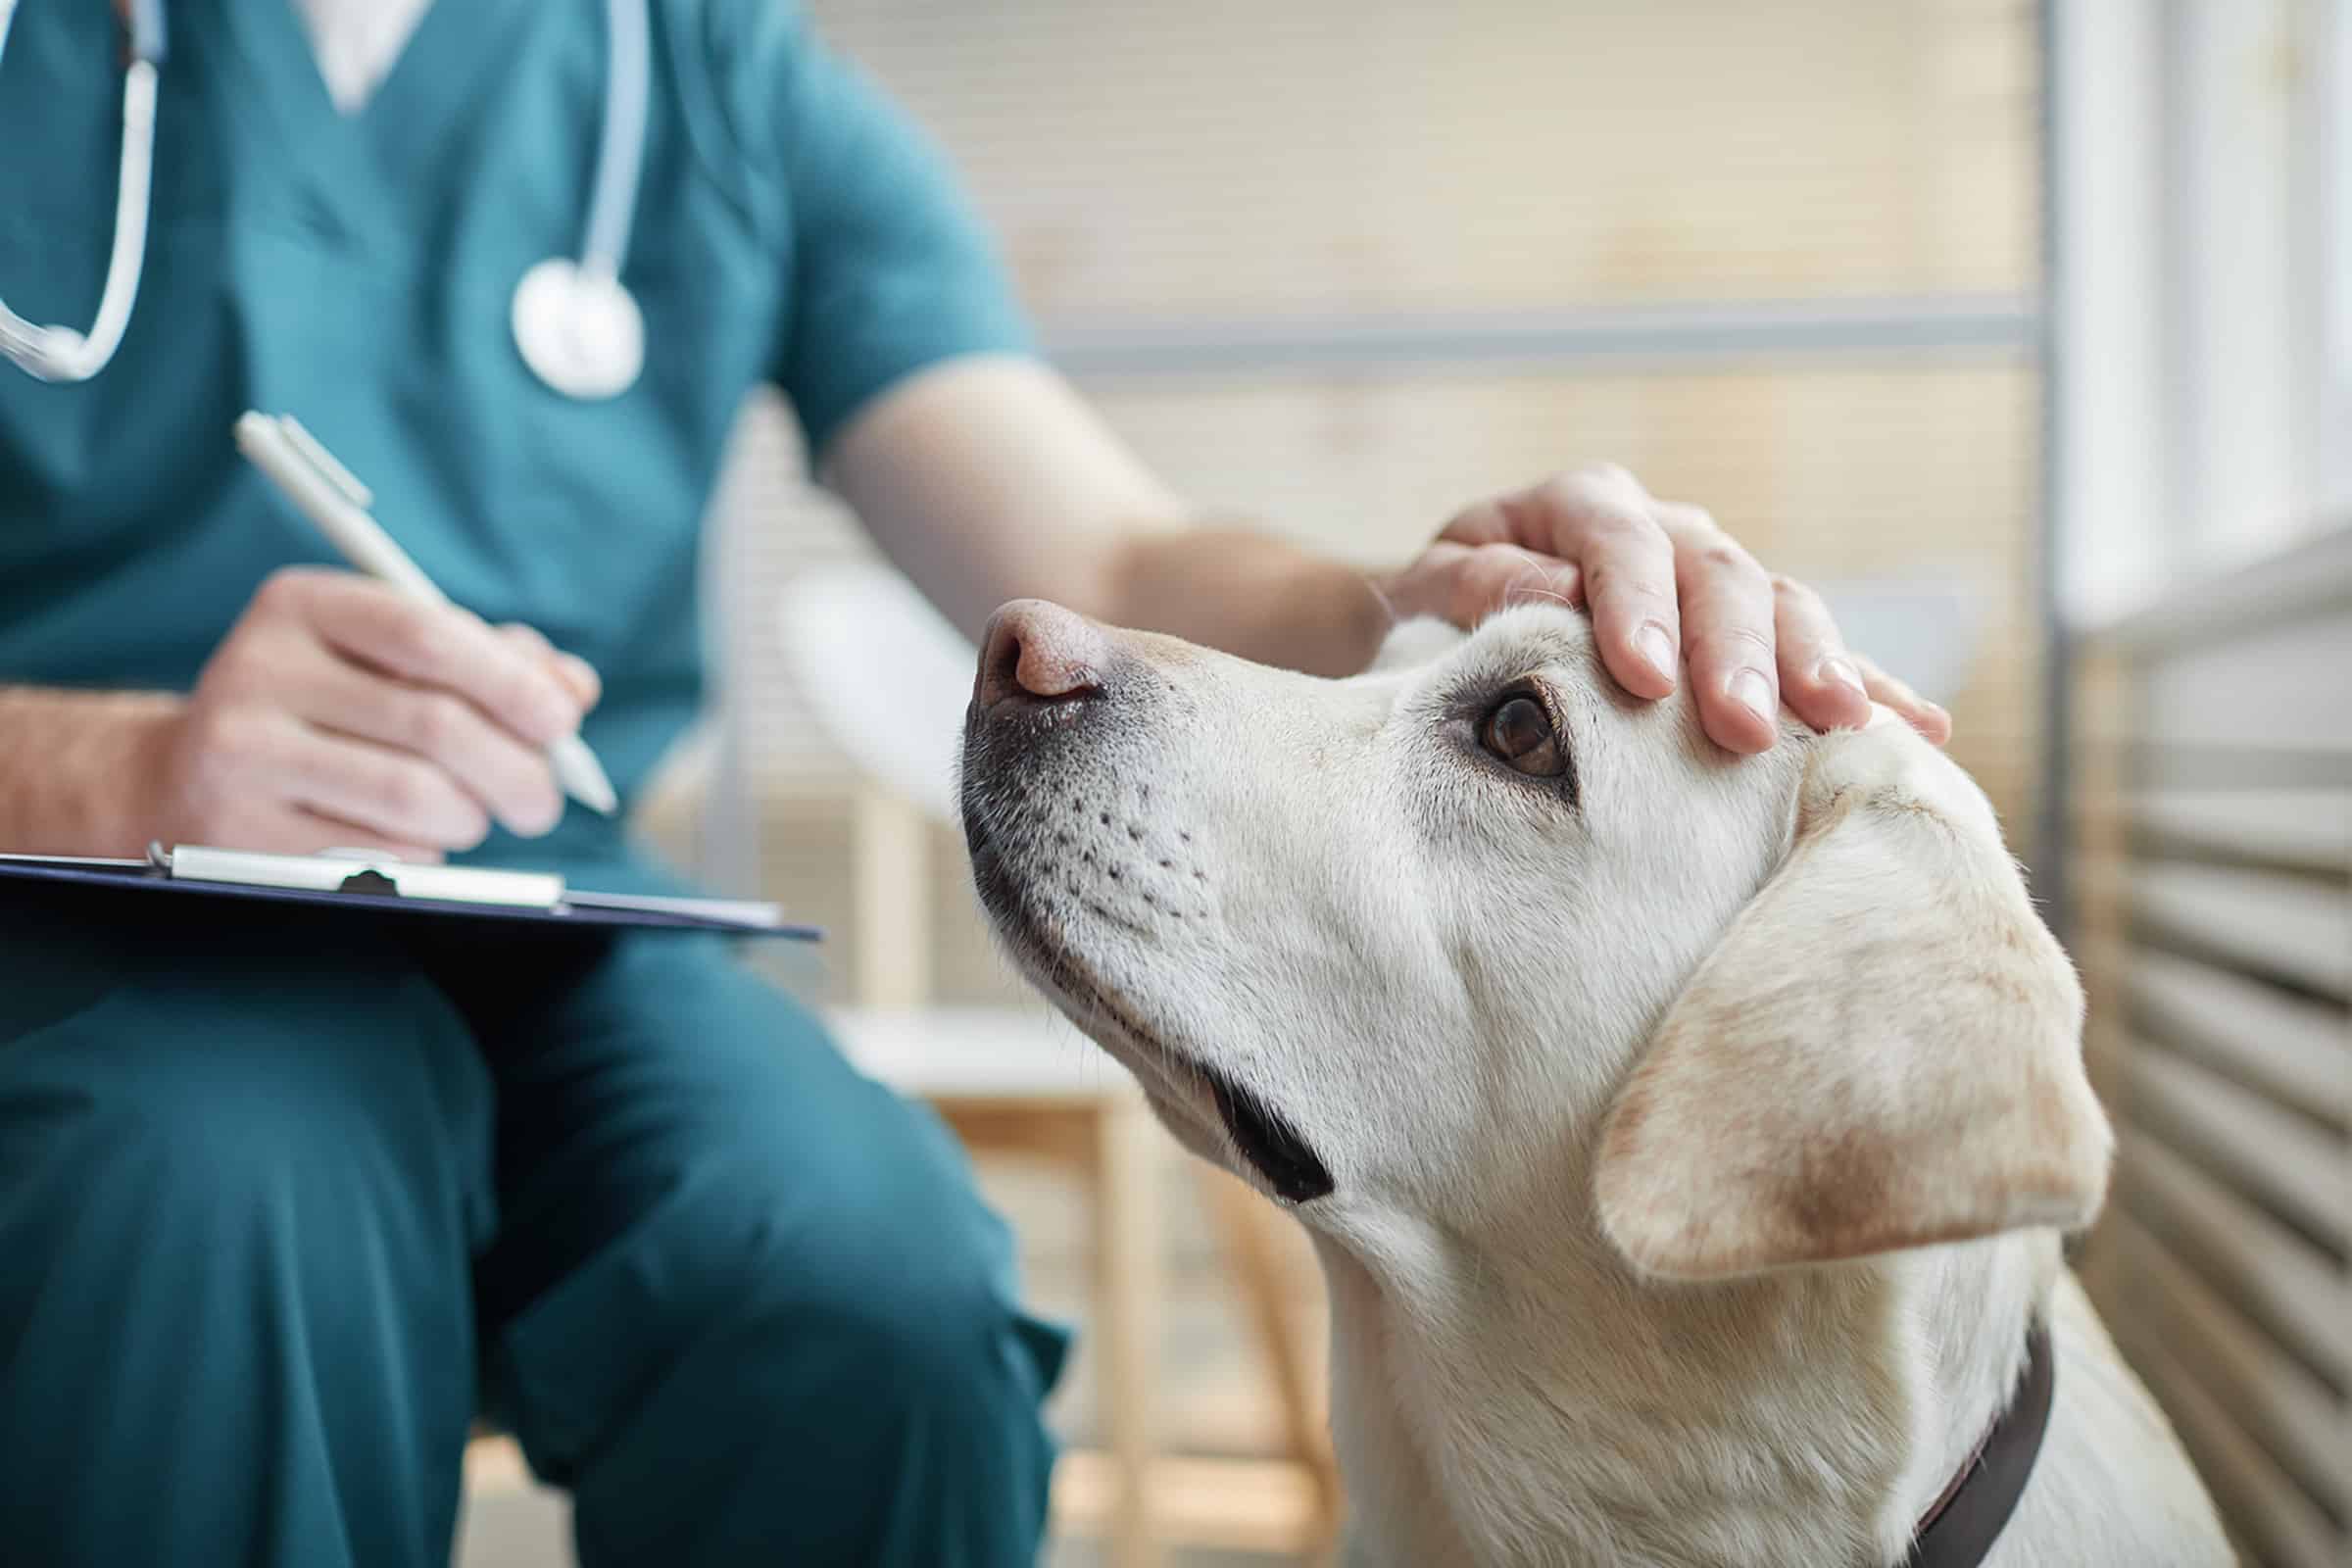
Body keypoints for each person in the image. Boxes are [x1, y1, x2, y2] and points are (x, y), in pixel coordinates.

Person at [0, 2, 1948, 1565]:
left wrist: (1399, 590)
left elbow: (1102, 560)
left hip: (553, 918)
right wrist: (110, 759)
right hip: (71, 921)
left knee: (879, 1285)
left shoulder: (710, 79)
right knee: (208, 1193)